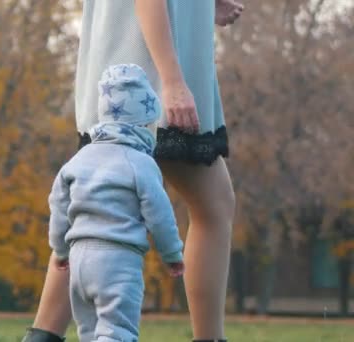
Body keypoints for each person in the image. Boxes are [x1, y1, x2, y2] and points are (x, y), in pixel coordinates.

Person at [23, 1, 243, 341]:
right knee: (214, 207)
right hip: (149, 74)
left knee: (97, 208)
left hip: (125, 67)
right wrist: (171, 82)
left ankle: (42, 336)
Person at [48, 63, 185, 341]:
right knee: (117, 331)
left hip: (78, 261)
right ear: (145, 123)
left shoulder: (78, 160)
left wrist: (59, 249)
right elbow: (159, 214)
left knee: (88, 331)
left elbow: (59, 208)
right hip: (117, 261)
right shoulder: (141, 164)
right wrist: (171, 253)